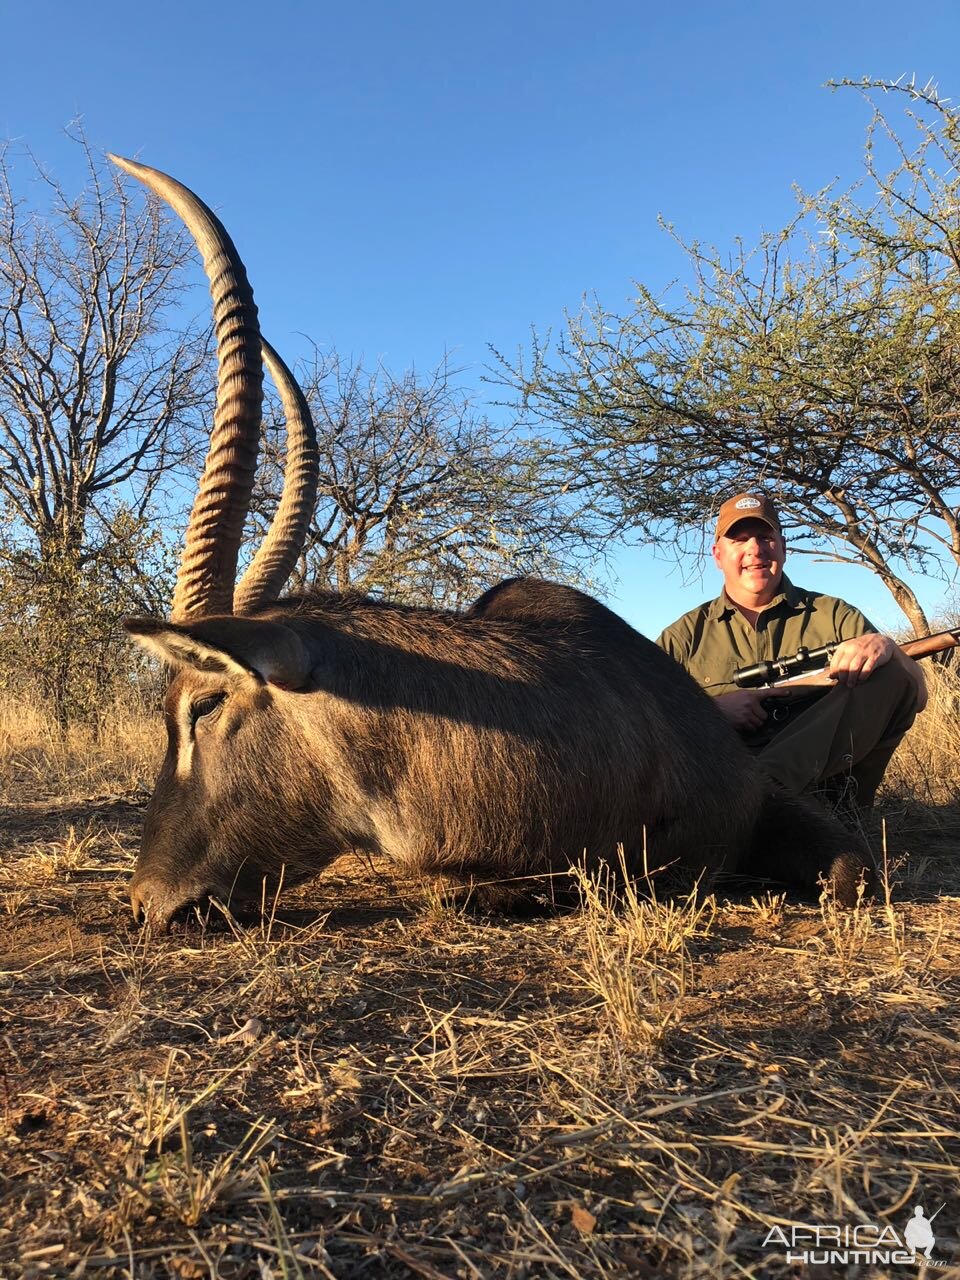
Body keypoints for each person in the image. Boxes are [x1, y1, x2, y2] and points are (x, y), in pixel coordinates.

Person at [656, 492, 927, 808]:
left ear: (782, 547)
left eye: (765, 537)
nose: (755, 550)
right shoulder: (682, 637)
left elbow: (916, 696)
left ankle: (764, 798)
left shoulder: (834, 615)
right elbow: (642, 723)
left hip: (825, 793)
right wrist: (712, 712)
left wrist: (888, 647)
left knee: (891, 671)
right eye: (739, 540)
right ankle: (759, 803)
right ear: (718, 555)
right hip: (718, 786)